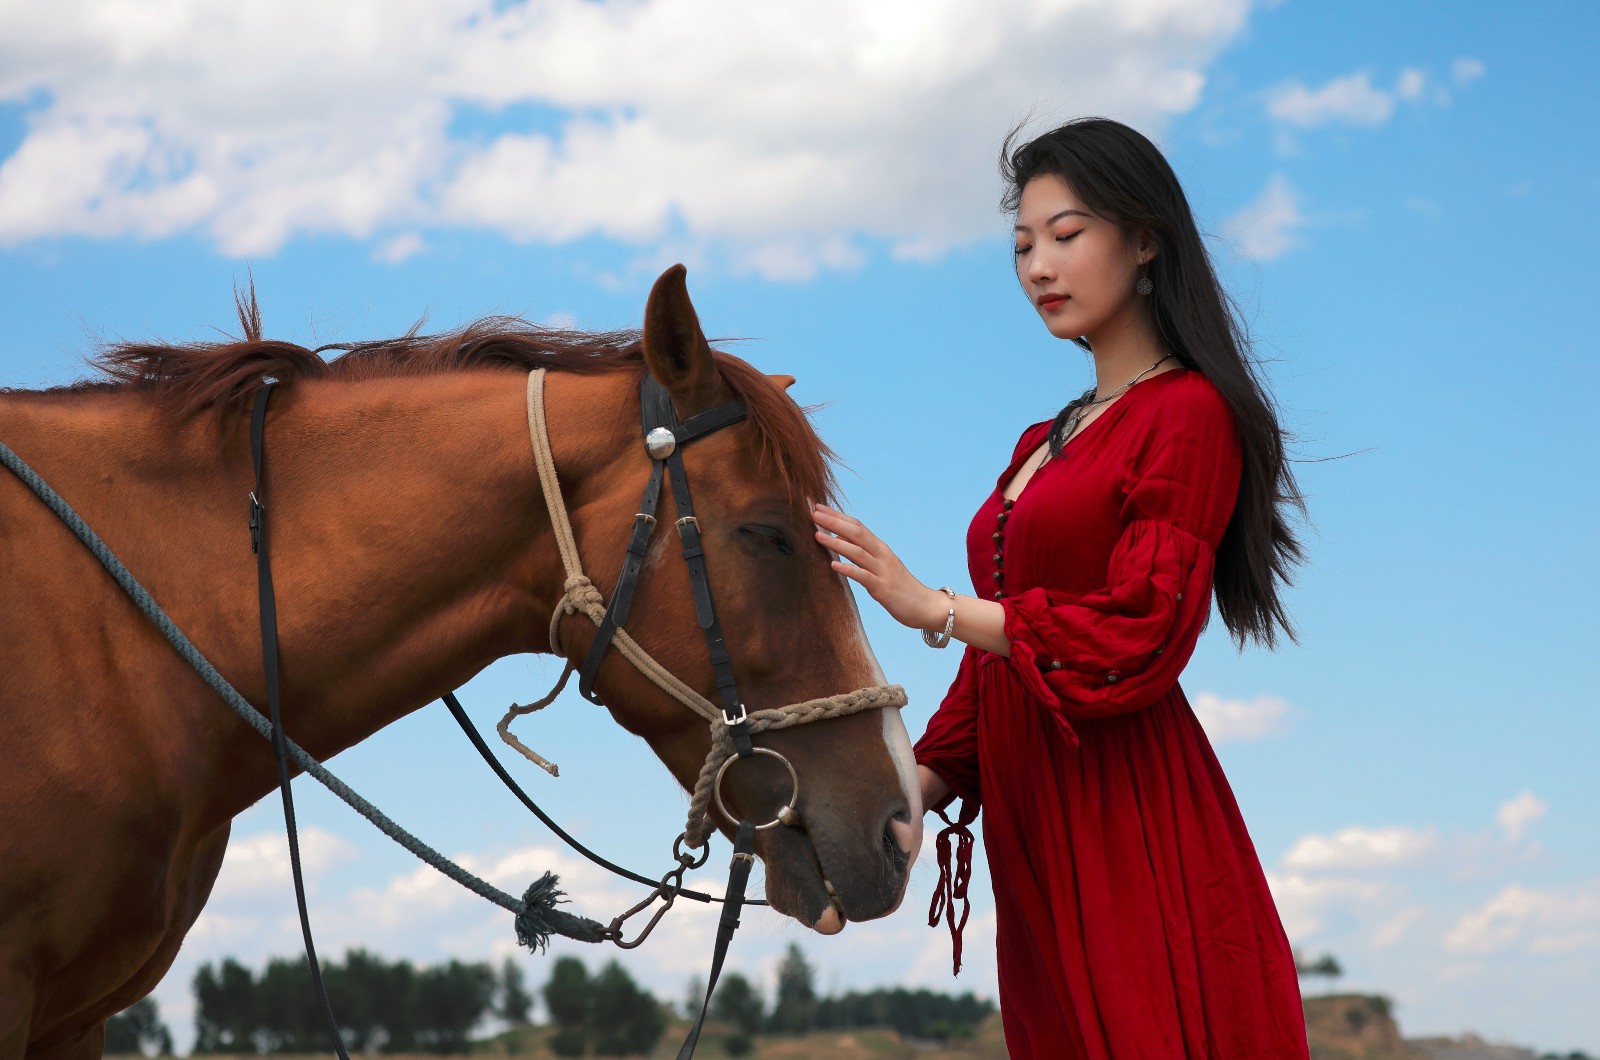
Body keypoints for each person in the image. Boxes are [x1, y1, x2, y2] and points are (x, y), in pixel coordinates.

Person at [811, 117, 1311, 1058]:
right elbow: (998, 670)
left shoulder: (1188, 414)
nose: (1040, 264)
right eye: (1022, 244)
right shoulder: (1039, 444)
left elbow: (1142, 634)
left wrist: (933, 607)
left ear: (1146, 238)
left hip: (1129, 820)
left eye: (1067, 234)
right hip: (1034, 828)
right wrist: (910, 789)